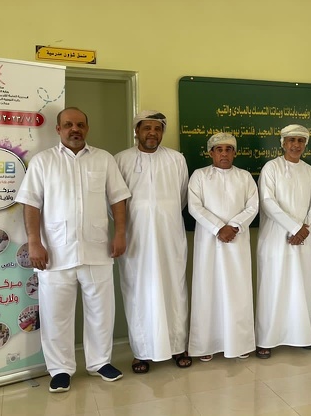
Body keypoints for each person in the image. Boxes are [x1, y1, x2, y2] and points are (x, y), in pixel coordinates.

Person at [15, 107, 130, 393]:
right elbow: (31, 204)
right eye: (68, 125)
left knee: (101, 312)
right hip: (55, 252)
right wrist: (33, 241)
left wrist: (120, 233)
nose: (74, 129)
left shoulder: (103, 159)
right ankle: (60, 370)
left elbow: (118, 199)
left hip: (97, 249)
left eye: (80, 124)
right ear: (58, 129)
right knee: (56, 315)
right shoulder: (43, 161)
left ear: (87, 128)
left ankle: (100, 362)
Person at [115, 110, 191, 373]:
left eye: (157, 129)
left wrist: (161, 214)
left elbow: (182, 196)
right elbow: (114, 201)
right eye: (146, 128)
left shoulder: (176, 159)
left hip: (170, 235)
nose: (152, 133)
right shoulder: (121, 159)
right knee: (138, 290)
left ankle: (178, 346)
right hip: (136, 237)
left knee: (174, 288)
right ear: (136, 130)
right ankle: (142, 351)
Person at [187, 132, 258, 361]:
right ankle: (206, 345)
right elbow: (194, 207)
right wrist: (219, 228)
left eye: (229, 149)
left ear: (235, 153)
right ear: (211, 153)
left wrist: (233, 226)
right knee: (208, 290)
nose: (224, 154)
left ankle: (239, 343)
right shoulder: (199, 176)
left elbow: (253, 206)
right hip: (209, 242)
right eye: (219, 150)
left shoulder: (245, 177)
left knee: (238, 291)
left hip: (236, 242)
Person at [255, 124, 311, 359]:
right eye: (292, 140)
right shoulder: (271, 168)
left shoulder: (309, 171)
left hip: (303, 239)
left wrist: (305, 229)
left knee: (301, 287)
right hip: (275, 238)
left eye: (300, 141)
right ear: (283, 143)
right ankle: (266, 339)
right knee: (274, 287)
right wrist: (295, 227)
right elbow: (268, 202)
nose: (296, 145)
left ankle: (301, 336)